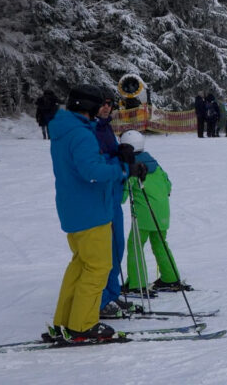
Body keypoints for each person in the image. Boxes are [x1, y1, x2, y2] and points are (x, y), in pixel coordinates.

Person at [47, 85, 144, 343]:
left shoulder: (65, 130)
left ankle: (64, 322)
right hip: (90, 211)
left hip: (76, 211)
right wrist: (124, 171)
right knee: (98, 267)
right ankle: (83, 325)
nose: (104, 107)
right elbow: (92, 171)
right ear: (88, 106)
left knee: (80, 267)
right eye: (100, 103)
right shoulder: (80, 134)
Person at [119, 130, 189, 295]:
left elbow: (122, 196)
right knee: (160, 243)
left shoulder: (132, 168)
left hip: (144, 215)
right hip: (162, 213)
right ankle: (170, 277)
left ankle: (137, 283)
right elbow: (168, 185)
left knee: (135, 245)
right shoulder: (155, 165)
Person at [94, 91, 136, 318]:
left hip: (113, 196)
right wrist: (119, 160)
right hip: (100, 198)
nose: (107, 107)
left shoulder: (106, 127)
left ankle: (111, 293)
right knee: (104, 251)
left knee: (117, 248)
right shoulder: (90, 129)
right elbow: (96, 163)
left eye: (110, 104)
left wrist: (121, 153)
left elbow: (109, 154)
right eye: (103, 104)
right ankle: (100, 299)